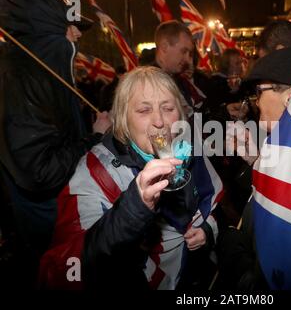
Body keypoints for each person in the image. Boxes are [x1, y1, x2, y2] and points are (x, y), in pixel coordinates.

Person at [39, 66, 221, 290]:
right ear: (123, 119)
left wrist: (208, 230)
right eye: (144, 110)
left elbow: (212, 201)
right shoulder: (95, 172)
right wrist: (135, 207)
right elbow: (65, 270)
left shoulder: (190, 150)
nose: (159, 121)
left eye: (168, 108)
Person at [0, 0, 111, 285]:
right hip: (48, 229)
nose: (77, 34)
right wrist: (93, 139)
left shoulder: (44, 72)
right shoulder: (22, 78)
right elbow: (41, 170)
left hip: (64, 215)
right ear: (46, 27)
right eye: (70, 25)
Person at [217, 47, 291, 290]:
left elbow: (275, 272)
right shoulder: (287, 145)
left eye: (259, 92)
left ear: (290, 98)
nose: (255, 101)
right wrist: (255, 161)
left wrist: (231, 253)